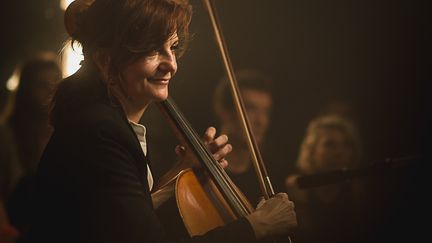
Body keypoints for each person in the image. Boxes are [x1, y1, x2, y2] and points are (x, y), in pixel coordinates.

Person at [24, 0, 297, 243]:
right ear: (107, 62)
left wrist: (184, 170)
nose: (172, 64)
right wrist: (256, 225)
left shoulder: (106, 124)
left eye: (173, 47)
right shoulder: (100, 133)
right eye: (153, 49)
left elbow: (119, 218)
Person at [285, 114, 365, 243]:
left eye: (346, 144)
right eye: (330, 144)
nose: (340, 152)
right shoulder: (297, 186)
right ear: (312, 151)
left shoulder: (358, 188)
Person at [213, 69, 273, 205]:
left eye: (266, 111)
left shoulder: (271, 175)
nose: (261, 121)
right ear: (223, 110)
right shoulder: (198, 172)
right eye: (251, 109)